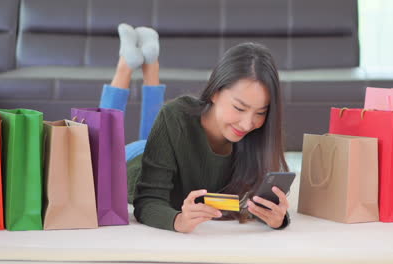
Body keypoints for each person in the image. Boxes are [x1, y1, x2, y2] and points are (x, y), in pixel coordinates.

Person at [100, 23, 290, 233]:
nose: (247, 124)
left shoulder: (256, 136)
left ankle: (150, 62)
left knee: (163, 125)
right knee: (104, 143)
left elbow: (250, 203)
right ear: (215, 92)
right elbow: (149, 200)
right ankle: (126, 64)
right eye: (239, 107)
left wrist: (278, 218)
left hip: (168, 149)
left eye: (260, 112)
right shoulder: (176, 115)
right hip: (134, 159)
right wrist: (178, 220)